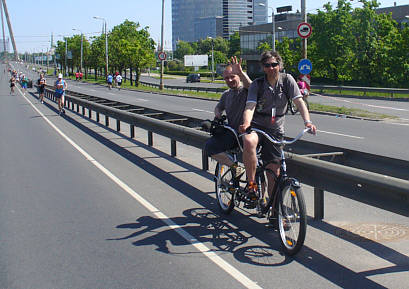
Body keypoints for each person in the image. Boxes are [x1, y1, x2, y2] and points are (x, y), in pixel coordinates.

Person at [239, 51, 317, 207]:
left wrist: (307, 122)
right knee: (248, 140)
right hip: (258, 126)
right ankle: (252, 184)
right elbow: (250, 106)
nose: (271, 68)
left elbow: (299, 102)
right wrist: (246, 123)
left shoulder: (287, 80)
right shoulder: (257, 84)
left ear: (280, 65)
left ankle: (275, 213)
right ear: (263, 67)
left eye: (274, 64)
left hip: (275, 130)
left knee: (274, 173)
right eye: (267, 65)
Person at [204, 56, 252, 178]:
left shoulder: (246, 91)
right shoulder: (226, 94)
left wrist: (242, 73)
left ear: (238, 77)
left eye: (232, 77)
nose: (229, 80)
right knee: (209, 147)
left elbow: (251, 86)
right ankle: (235, 167)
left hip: (249, 134)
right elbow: (218, 107)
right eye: (226, 78)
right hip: (233, 134)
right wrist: (218, 112)